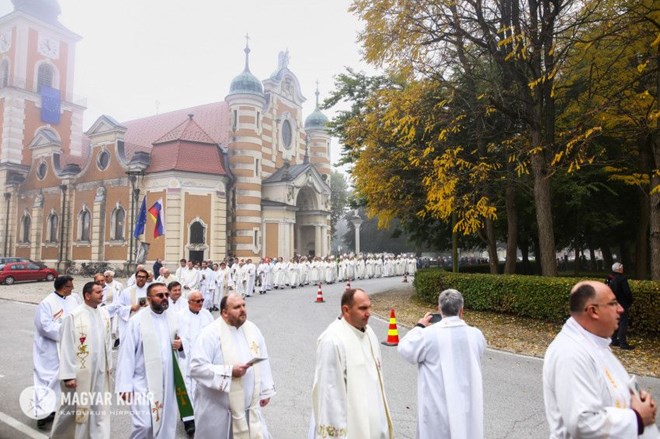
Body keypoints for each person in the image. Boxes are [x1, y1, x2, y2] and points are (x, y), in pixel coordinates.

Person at [543, 280, 657, 437]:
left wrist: (635, 399)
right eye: (613, 303)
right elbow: (583, 422)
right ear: (593, 311)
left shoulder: (595, 344)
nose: (621, 309)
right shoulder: (570, 354)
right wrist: (637, 418)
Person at [398, 289, 486, 439]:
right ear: (461, 310)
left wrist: (419, 326)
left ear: (439, 309)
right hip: (467, 404)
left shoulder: (427, 335)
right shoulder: (476, 335)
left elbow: (404, 348)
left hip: (437, 408)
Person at [309, 288, 393, 439]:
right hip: (352, 430)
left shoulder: (369, 333)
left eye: (369, 307)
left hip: (374, 427)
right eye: (363, 308)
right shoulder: (332, 340)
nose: (369, 313)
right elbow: (330, 397)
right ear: (346, 310)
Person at [190, 293, 276, 438]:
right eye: (237, 307)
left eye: (244, 305)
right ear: (224, 312)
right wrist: (229, 372)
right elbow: (196, 368)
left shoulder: (252, 329)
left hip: (249, 409)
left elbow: (263, 359)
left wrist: (266, 390)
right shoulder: (210, 334)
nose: (243, 309)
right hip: (219, 413)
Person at [115, 282, 182, 438]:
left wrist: (181, 345)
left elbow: (183, 342)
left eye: (166, 295)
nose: (165, 298)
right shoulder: (137, 321)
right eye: (160, 295)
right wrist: (124, 385)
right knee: (144, 425)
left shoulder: (173, 317)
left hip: (167, 381)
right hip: (142, 383)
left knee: (165, 424)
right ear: (149, 298)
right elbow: (126, 355)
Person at [50, 281, 113, 438]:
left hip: (99, 371)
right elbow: (66, 346)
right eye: (98, 292)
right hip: (79, 373)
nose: (102, 294)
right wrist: (68, 375)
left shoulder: (104, 314)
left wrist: (108, 366)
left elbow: (107, 343)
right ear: (87, 295)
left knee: (99, 408)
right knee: (73, 410)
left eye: (102, 291)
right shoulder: (73, 317)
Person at [33, 275, 82, 429]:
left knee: (62, 379)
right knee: (47, 380)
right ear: (63, 287)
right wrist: (67, 331)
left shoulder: (73, 299)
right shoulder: (46, 303)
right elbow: (45, 327)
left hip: (67, 347)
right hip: (50, 349)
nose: (73, 288)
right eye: (70, 286)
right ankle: (42, 413)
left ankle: (56, 410)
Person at [607, 262, 635, 350]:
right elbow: (627, 292)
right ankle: (623, 343)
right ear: (618, 269)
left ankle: (614, 340)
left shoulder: (610, 278)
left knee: (616, 321)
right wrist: (630, 300)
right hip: (622, 304)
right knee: (623, 322)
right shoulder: (622, 279)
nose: (623, 269)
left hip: (612, 303)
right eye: (621, 267)